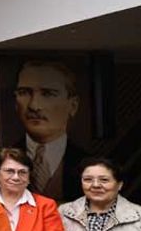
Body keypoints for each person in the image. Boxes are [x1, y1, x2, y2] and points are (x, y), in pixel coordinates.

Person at [12, 61, 89, 202]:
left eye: (48, 94)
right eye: (24, 93)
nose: (34, 105)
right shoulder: (3, 159)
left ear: (73, 105)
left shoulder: (89, 162)